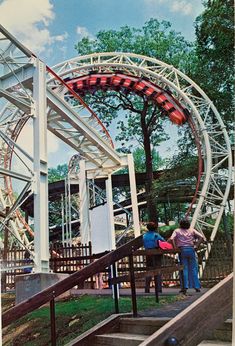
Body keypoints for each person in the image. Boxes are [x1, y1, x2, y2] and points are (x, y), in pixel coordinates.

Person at [169, 218, 205, 294]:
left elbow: (172, 238)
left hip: (182, 250)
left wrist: (175, 247)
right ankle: (197, 286)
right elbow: (201, 237)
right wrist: (196, 246)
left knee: (184, 269)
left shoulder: (177, 231)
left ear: (180, 224)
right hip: (191, 249)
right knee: (193, 268)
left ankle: (185, 286)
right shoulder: (192, 230)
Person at [143, 222, 165, 293]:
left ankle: (147, 288)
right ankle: (158, 288)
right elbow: (163, 241)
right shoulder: (156, 235)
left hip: (147, 253)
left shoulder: (144, 235)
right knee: (158, 270)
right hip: (156, 253)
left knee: (149, 270)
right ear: (155, 228)